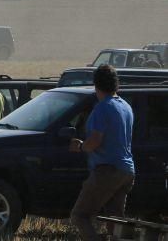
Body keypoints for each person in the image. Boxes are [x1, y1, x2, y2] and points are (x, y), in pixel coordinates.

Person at [69, 65, 136, 241]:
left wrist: (81, 146)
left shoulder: (102, 108)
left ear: (96, 85)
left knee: (80, 216)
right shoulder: (126, 107)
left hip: (107, 170)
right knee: (115, 221)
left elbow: (95, 141)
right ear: (116, 85)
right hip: (127, 170)